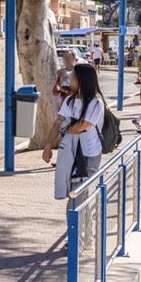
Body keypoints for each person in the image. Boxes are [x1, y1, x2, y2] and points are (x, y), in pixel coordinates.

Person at [42, 63, 106, 200]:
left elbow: (82, 126)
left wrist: (66, 128)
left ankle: (78, 221)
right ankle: (79, 220)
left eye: (73, 77)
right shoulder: (70, 100)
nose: (69, 80)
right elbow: (58, 122)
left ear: (81, 80)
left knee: (78, 195)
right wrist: (48, 146)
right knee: (71, 192)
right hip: (69, 153)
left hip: (88, 155)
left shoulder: (95, 102)